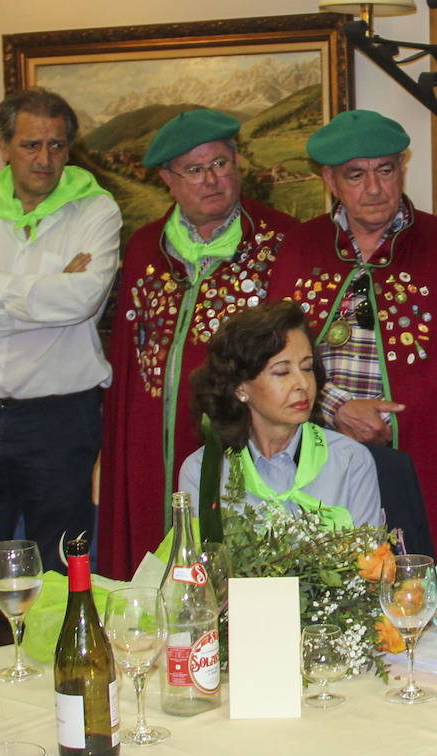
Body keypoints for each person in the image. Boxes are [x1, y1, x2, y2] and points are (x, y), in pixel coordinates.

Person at [269, 109, 437, 561]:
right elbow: (270, 358)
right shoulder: (302, 246)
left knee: (412, 569)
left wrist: (402, 418)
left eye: (385, 171)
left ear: (403, 167)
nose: (374, 189)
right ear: (329, 180)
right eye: (355, 175)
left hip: (416, 453)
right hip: (315, 447)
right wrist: (335, 408)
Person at [0, 88, 121, 579]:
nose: (45, 158)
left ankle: (54, 659)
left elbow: (81, 302)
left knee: (59, 566)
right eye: (32, 145)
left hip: (60, 420)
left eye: (57, 145)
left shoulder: (96, 211)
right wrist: (44, 298)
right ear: (4, 146)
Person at [98, 108, 298, 579]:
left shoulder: (280, 241)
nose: (211, 180)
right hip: (149, 443)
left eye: (221, 164)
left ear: (237, 165)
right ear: (168, 179)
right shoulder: (146, 248)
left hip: (237, 442)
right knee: (149, 571)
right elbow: (129, 358)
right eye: (194, 169)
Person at [178, 301, 379, 527]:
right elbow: (203, 559)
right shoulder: (204, 471)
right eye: (282, 372)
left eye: (306, 368)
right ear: (240, 387)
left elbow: (370, 560)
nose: (302, 384)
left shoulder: (350, 460)